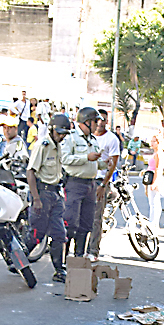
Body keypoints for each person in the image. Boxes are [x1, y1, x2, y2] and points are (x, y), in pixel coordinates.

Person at [26, 113, 71, 284]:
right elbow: (30, 172)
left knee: (60, 234)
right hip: (42, 193)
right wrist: (36, 199)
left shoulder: (57, 145)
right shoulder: (42, 145)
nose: (62, 136)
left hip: (55, 193)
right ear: (52, 130)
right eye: (59, 133)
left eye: (64, 134)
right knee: (37, 234)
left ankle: (59, 270)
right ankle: (18, 260)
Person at [59, 107, 103, 257]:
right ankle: (63, 260)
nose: (97, 125)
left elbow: (95, 162)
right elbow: (64, 159)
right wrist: (86, 158)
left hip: (90, 184)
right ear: (87, 121)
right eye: (95, 121)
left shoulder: (93, 139)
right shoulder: (70, 138)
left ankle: (79, 257)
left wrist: (103, 163)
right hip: (74, 184)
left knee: (86, 223)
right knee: (70, 223)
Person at [88, 113, 121, 258]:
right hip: (85, 180)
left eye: (103, 120)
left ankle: (93, 251)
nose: (100, 123)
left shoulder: (111, 139)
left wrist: (103, 184)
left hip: (100, 182)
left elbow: (112, 164)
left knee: (96, 218)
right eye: (97, 120)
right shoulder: (87, 137)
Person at [144, 134, 164, 229]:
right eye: (151, 141)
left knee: (154, 202)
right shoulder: (155, 153)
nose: (151, 143)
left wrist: (155, 182)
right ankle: (153, 221)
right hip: (150, 177)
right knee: (152, 202)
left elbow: (158, 169)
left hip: (155, 178)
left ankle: (154, 222)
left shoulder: (159, 154)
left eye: (154, 141)